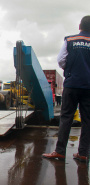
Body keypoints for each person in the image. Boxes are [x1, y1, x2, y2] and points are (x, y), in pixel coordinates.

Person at [42, 15, 90, 162]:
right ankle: (83, 153)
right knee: (87, 120)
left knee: (66, 117)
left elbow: (61, 60)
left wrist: (71, 70)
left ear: (80, 26)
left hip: (72, 83)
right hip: (88, 86)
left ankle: (60, 151)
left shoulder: (70, 40)